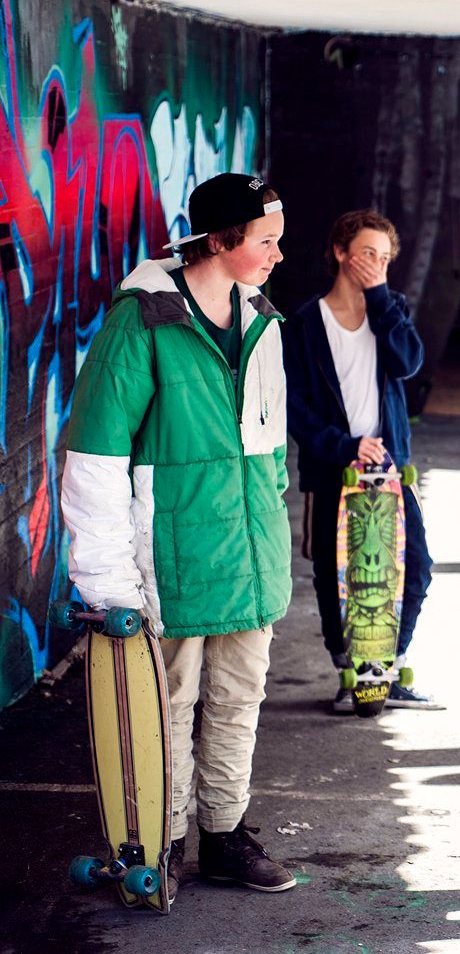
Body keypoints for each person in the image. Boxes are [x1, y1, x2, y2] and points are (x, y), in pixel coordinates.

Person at [59, 172, 296, 905]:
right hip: (174, 560)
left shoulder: (262, 317)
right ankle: (158, 843)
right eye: (265, 242)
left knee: (238, 699)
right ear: (222, 242)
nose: (277, 256)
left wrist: (273, 520)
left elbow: (272, 447)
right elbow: (94, 457)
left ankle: (224, 838)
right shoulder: (143, 321)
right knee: (166, 707)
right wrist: (107, 582)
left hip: (250, 557)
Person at [282, 209, 439, 711]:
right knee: (335, 575)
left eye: (385, 257)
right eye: (368, 253)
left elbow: (409, 364)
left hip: (390, 472)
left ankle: (385, 669)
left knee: (415, 568)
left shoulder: (391, 308)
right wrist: (343, 445)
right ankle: (349, 673)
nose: (376, 263)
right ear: (340, 253)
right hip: (335, 469)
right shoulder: (305, 323)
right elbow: (295, 407)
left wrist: (381, 299)